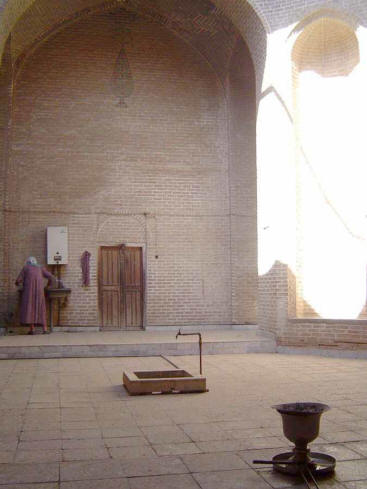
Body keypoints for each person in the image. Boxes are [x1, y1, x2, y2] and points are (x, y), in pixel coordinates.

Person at [15, 256, 55, 334]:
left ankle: (32, 330)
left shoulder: (26, 268)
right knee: (41, 308)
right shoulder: (40, 268)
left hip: (28, 293)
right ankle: (45, 329)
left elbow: (18, 280)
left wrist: (17, 283)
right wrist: (48, 285)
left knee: (30, 309)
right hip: (39, 292)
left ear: (28, 262)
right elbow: (51, 276)